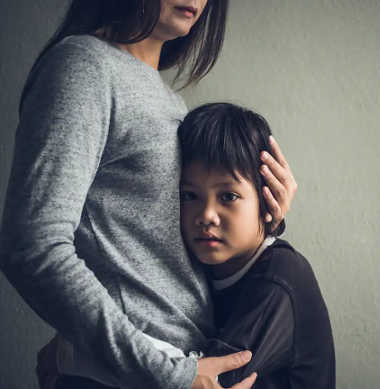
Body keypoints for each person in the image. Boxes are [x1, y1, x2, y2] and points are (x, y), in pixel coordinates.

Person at [0, 0, 297, 389]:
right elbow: (32, 244)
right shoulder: (84, 67)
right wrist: (169, 375)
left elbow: (147, 259)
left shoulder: (172, 103)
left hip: (178, 365)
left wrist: (264, 223)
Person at [40, 103, 335, 389]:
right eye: (189, 196)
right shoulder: (205, 268)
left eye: (228, 196)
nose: (206, 215)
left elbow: (202, 379)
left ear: (268, 196)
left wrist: (72, 353)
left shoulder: (280, 277)